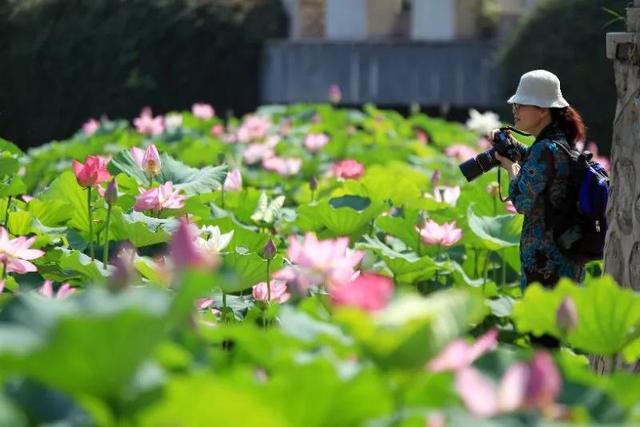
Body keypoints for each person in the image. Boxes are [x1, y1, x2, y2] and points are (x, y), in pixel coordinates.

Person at [491, 69, 586, 289]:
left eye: (521, 105)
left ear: (542, 111)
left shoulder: (545, 149)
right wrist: (513, 147)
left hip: (546, 265)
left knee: (542, 323)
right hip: (566, 258)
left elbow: (522, 201)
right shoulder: (560, 143)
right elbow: (542, 170)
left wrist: (509, 166)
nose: (515, 111)